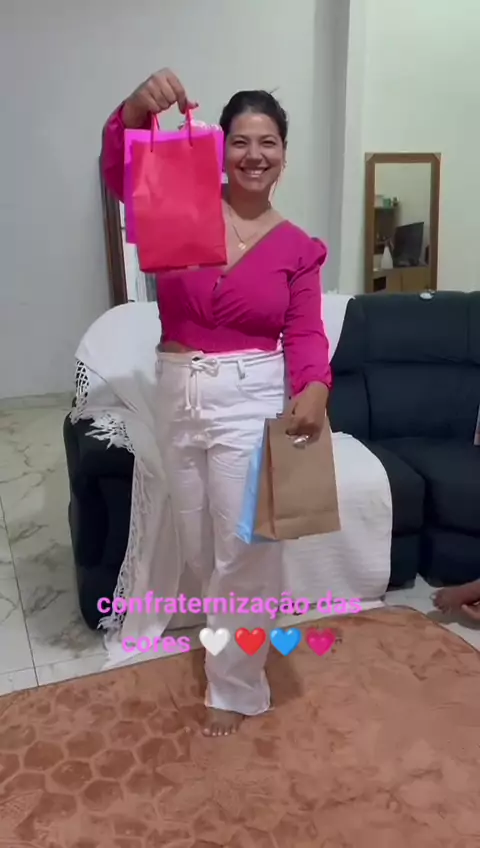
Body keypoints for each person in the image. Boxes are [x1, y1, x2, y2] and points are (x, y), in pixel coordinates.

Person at [101, 68, 331, 737]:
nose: (254, 154)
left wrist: (314, 387)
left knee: (245, 553)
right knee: (201, 544)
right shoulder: (180, 203)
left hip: (250, 398)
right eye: (241, 141)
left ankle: (236, 687)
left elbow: (306, 332)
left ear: (284, 154)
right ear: (220, 148)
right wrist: (134, 110)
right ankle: (229, 641)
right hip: (179, 391)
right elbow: (120, 173)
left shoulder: (299, 248)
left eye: (268, 142)